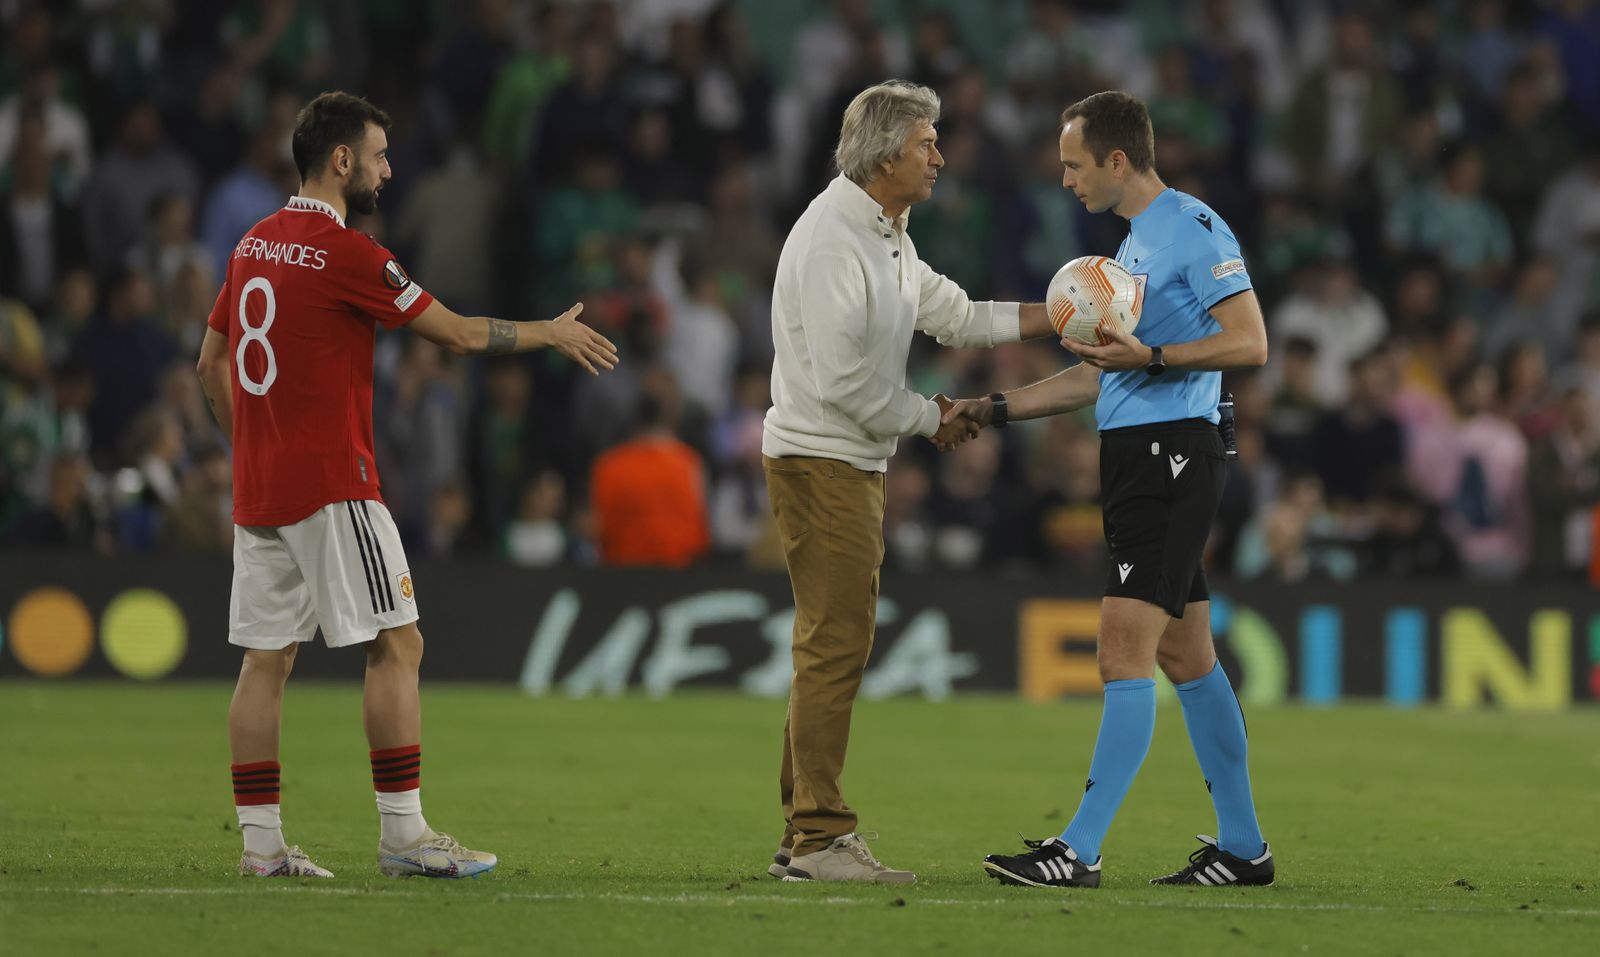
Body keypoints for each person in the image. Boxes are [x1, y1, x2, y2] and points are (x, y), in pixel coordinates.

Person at [196, 92, 617, 880]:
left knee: (265, 662)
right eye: (381, 156)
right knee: (399, 641)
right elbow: (455, 334)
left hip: (260, 490)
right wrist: (548, 332)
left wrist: (252, 444)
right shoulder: (348, 252)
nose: (390, 170)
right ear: (343, 161)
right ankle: (404, 833)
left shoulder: (253, 242)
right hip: (334, 484)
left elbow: (210, 364)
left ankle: (261, 847)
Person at [944, 91, 1273, 888]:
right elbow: (1102, 374)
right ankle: (1244, 847)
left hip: (1173, 455)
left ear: (1117, 160)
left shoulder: (1193, 228)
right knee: (1188, 655)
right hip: (1137, 454)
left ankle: (1079, 848)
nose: (1064, 180)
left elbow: (1250, 341)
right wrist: (996, 409)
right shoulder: (1127, 251)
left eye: (1073, 164)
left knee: (1120, 649)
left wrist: (1156, 359)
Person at [762, 79, 1057, 884]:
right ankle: (820, 837)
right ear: (887, 151)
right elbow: (843, 385)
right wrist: (934, 418)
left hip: (846, 460)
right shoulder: (833, 240)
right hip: (823, 459)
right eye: (927, 142)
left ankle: (802, 833)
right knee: (834, 646)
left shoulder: (886, 230)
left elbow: (954, 313)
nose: (939, 155)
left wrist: (1058, 314)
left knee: (831, 643)